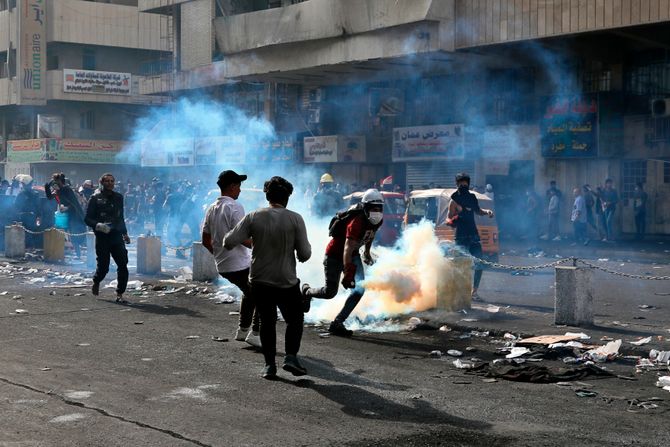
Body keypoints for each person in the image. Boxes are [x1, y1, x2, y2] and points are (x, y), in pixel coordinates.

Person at [223, 176, 311, 380]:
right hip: (286, 281)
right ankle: (290, 357)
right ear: (287, 197)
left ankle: (269, 366)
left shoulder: (254, 216)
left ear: (267, 196)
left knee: (267, 322)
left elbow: (229, 241)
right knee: (295, 319)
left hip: (260, 281)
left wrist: (255, 240)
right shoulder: (295, 218)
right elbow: (305, 254)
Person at [302, 189, 384, 337]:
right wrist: (348, 271)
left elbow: (370, 234)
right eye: (373, 208)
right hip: (335, 255)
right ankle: (307, 292)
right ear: (366, 208)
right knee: (330, 292)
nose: (377, 211)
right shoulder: (356, 222)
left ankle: (338, 322)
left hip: (353, 255)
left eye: (379, 208)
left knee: (359, 289)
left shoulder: (377, 221)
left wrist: (366, 252)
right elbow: (347, 248)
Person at [202, 170, 260, 348]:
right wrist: (260, 248)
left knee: (249, 292)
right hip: (239, 264)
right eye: (239, 186)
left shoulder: (211, 208)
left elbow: (205, 240)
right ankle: (256, 333)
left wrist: (220, 255)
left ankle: (242, 330)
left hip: (224, 265)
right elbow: (241, 237)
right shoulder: (234, 206)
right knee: (261, 294)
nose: (240, 191)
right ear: (232, 187)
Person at [85, 173, 131, 304]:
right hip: (102, 237)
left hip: (116, 236)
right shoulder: (95, 198)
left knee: (123, 265)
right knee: (103, 267)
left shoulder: (118, 197)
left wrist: (125, 233)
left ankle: (120, 293)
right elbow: (87, 218)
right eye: (107, 181)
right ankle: (96, 280)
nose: (110, 183)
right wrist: (97, 225)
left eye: (112, 181)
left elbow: (120, 217)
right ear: (101, 183)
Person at [447, 173, 494, 300]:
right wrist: (457, 215)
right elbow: (449, 219)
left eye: (465, 183)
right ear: (457, 184)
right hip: (461, 237)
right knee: (459, 265)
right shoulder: (454, 200)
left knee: (479, 263)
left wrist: (487, 212)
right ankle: (458, 292)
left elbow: (478, 210)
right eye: (461, 183)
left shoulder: (472, 197)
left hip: (473, 235)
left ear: (468, 184)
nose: (463, 185)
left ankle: (474, 292)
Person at [45, 173, 87, 258]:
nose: (55, 184)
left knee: (76, 234)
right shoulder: (57, 191)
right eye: (54, 182)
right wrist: (47, 185)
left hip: (75, 214)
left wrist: (66, 208)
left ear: (61, 181)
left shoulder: (67, 189)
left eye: (56, 181)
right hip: (67, 214)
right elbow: (49, 197)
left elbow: (73, 203)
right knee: (71, 234)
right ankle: (77, 254)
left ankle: (80, 255)